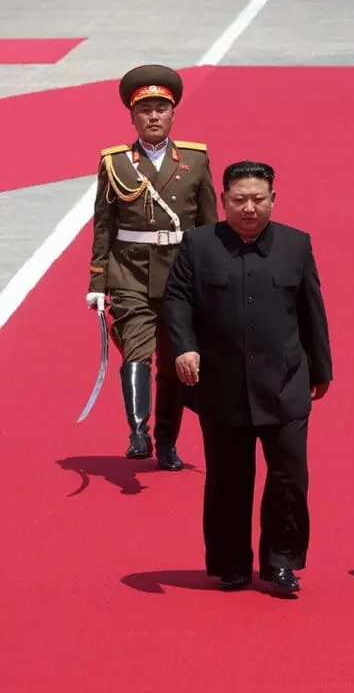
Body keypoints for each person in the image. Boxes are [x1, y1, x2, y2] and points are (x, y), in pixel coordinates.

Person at [162, 160, 333, 594]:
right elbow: (177, 300)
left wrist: (321, 369)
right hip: (223, 386)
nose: (250, 208)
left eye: (259, 199)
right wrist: (185, 347)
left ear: (274, 199)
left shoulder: (296, 245)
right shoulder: (199, 245)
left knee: (290, 478)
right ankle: (231, 563)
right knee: (227, 479)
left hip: (285, 383)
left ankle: (281, 562)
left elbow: (312, 310)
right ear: (223, 201)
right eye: (240, 200)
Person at [86, 63, 218, 471]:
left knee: (177, 364)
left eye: (161, 108)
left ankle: (167, 442)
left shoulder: (194, 160)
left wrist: (216, 276)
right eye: (145, 110)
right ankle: (138, 431)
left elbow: (208, 224)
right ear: (133, 117)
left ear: (173, 113)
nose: (154, 116)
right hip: (130, 275)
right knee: (138, 353)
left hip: (182, 277)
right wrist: (97, 281)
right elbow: (104, 225)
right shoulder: (116, 163)